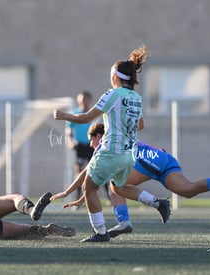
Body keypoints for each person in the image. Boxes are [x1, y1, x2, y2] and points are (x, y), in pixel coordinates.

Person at [53, 45, 165, 242]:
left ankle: (100, 232)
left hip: (111, 152)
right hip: (129, 154)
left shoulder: (112, 94)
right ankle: (157, 203)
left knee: (89, 189)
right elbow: (140, 125)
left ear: (115, 76)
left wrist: (62, 115)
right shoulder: (136, 98)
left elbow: (86, 117)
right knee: (119, 188)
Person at [55, 123, 210, 238]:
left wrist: (67, 192)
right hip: (163, 159)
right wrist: (82, 198)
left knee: (116, 185)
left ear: (98, 136)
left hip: (146, 161)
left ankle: (129, 219)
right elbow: (91, 185)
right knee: (188, 190)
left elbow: (87, 174)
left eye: (91, 140)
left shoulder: (105, 144)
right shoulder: (122, 137)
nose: (90, 145)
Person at [66, 91, 108, 202]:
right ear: (78, 100)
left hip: (93, 147)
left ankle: (110, 197)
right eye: (81, 99)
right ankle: (78, 199)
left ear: (89, 100)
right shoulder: (75, 113)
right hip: (79, 147)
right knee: (79, 172)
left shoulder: (94, 113)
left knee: (99, 170)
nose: (83, 101)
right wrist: (71, 141)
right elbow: (69, 130)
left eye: (85, 99)